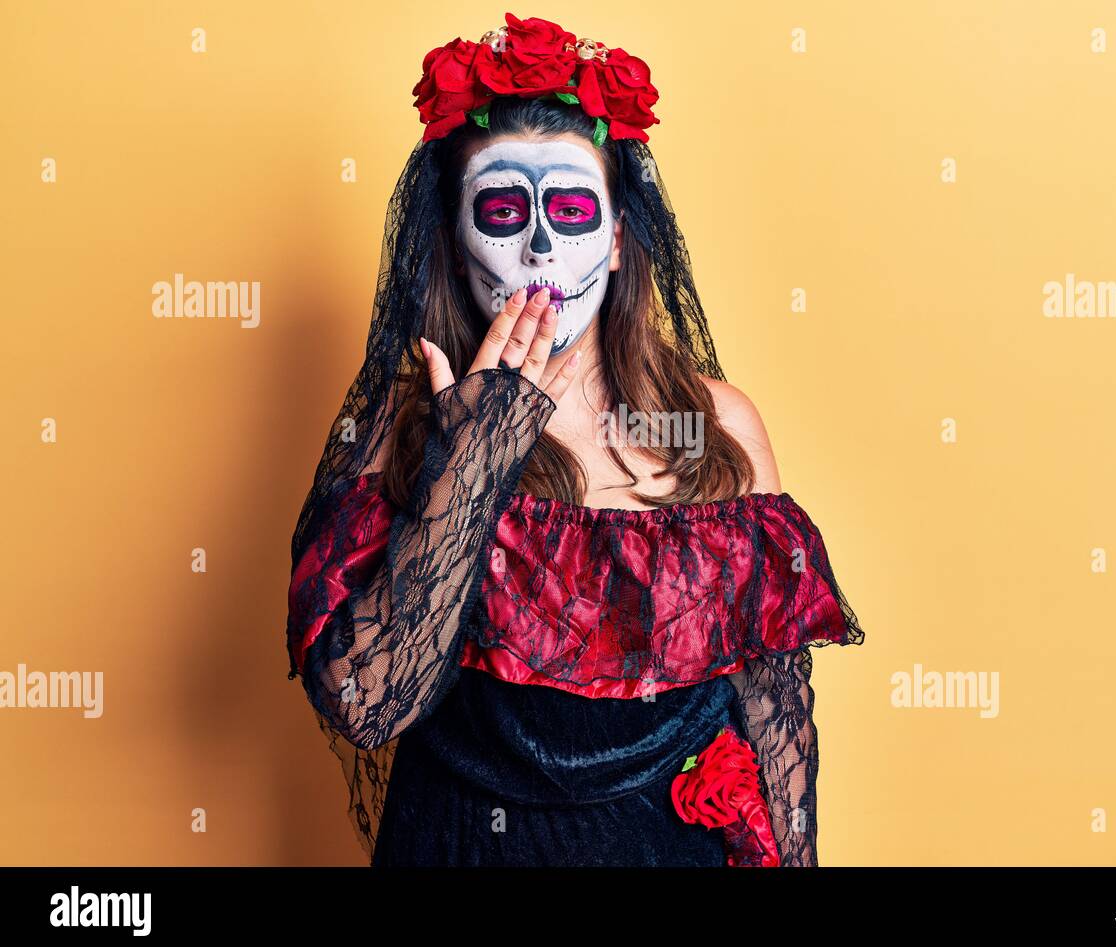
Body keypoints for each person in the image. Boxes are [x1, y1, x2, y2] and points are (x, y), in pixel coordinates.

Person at [285, 13, 864, 866]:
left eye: (568, 207)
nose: (541, 245)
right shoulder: (400, 435)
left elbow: (774, 705)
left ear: (621, 239)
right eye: (505, 209)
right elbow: (369, 706)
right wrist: (473, 462)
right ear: (452, 240)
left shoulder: (715, 428)